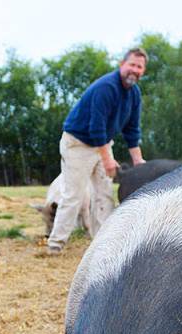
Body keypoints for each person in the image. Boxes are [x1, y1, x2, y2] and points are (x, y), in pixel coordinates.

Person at [45, 48, 147, 254]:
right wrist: (108, 159)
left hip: (101, 144)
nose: (134, 70)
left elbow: (132, 130)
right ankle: (55, 245)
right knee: (74, 194)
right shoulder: (107, 88)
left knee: (104, 194)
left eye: (139, 67)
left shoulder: (134, 94)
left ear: (143, 71)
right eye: (132, 65)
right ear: (122, 64)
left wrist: (139, 162)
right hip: (78, 144)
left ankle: (103, 245)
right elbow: (96, 127)